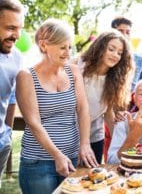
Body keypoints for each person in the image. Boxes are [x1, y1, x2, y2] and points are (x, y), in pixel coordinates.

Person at [16, 19, 98, 194]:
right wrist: (57, 155)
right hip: (38, 163)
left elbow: (83, 109)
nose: (68, 53)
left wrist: (84, 144)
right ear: (44, 46)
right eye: (62, 47)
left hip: (73, 158)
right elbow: (33, 122)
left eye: (70, 47)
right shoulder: (26, 76)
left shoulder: (73, 71)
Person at [77, 30, 134, 164]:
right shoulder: (79, 67)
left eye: (119, 53)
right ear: (100, 47)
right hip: (70, 136)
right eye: (111, 49)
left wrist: (119, 143)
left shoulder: (114, 79)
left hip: (94, 137)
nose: (115, 55)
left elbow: (108, 112)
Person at [0, 0, 24, 188]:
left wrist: (7, 133)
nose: (16, 35)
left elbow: (12, 96)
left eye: (19, 29)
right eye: (10, 28)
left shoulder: (16, 56)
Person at [111, 16, 142, 91]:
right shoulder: (105, 56)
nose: (124, 35)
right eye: (120, 31)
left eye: (128, 32)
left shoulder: (140, 60)